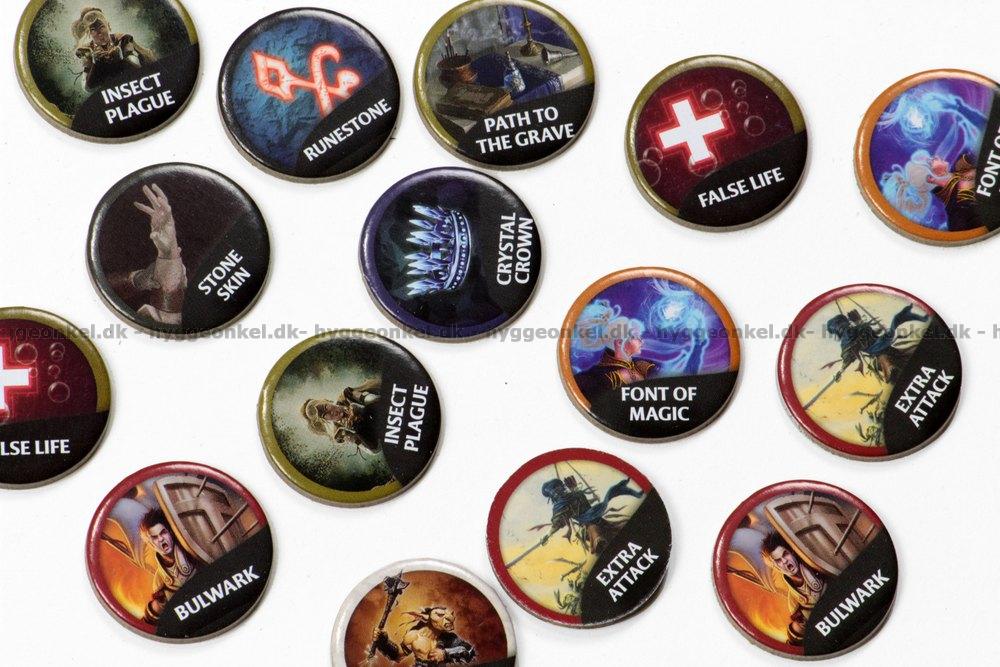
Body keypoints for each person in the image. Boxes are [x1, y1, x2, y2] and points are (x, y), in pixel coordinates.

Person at [760, 532, 826, 646]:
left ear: (792, 552)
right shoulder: (793, 602)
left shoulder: (817, 565)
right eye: (778, 560)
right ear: (776, 567)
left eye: (785, 554)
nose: (784, 561)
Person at [72, 6, 156, 91]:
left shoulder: (123, 39)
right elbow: (87, 88)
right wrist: (95, 64)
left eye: (101, 27)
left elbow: (139, 71)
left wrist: (121, 59)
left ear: (108, 26)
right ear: (89, 33)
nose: (99, 33)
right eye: (93, 29)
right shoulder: (87, 50)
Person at [139, 508, 197, 624]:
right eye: (154, 537)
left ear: (170, 532)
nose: (161, 539)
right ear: (150, 544)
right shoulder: (159, 582)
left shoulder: (192, 552)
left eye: (163, 532)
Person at [371, 606, 477, 666]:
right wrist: (383, 641)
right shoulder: (414, 635)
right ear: (427, 618)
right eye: (440, 615)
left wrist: (445, 654)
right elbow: (398, 655)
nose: (447, 618)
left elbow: (470, 652)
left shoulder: (450, 638)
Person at [301, 379, 382, 454]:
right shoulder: (340, 431)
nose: (331, 412)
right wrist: (354, 438)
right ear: (325, 420)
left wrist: (360, 405)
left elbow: (376, 400)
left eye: (326, 407)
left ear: (327, 401)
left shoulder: (347, 395)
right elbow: (374, 449)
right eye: (325, 415)